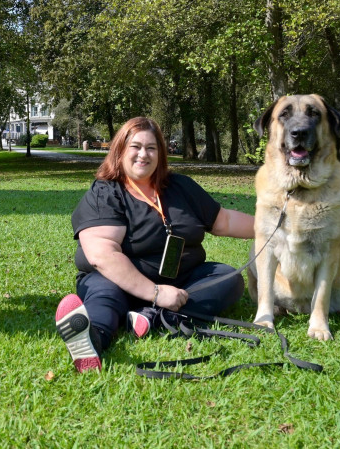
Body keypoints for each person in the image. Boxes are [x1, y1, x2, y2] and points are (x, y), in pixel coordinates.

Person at [54, 117, 254, 373]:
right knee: (106, 297)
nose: (143, 154)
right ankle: (92, 338)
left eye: (151, 148)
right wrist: (156, 293)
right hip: (117, 281)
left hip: (180, 280)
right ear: (120, 150)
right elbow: (101, 255)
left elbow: (223, 221)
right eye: (135, 147)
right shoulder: (105, 193)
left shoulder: (181, 187)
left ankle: (150, 318)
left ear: (160, 153)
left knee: (226, 278)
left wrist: (272, 226)